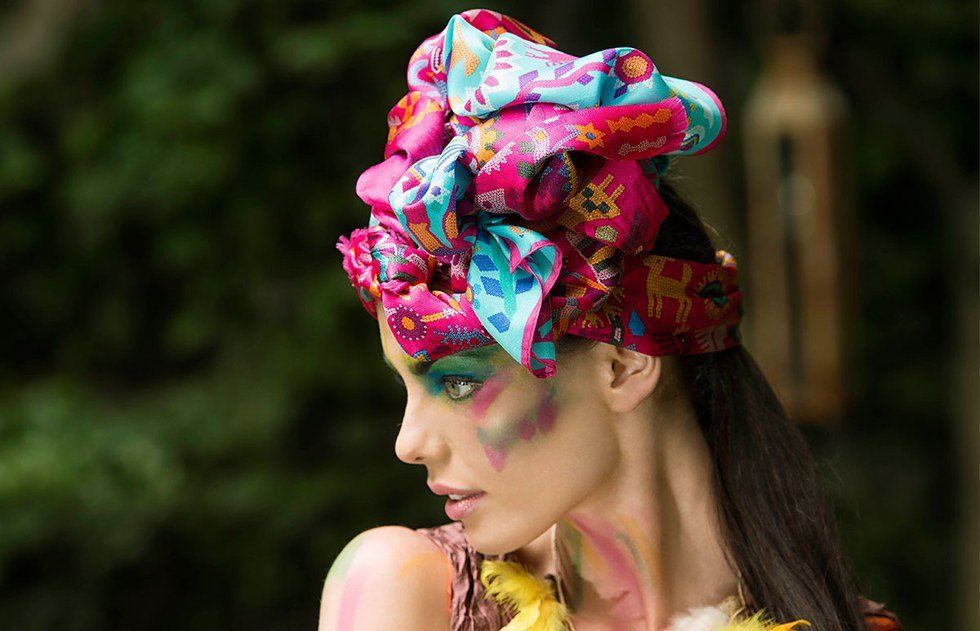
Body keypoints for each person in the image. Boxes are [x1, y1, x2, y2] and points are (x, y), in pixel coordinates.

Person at [319, 9, 902, 631]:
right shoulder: (404, 592)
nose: (408, 444)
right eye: (408, 385)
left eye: (459, 382)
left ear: (623, 366)